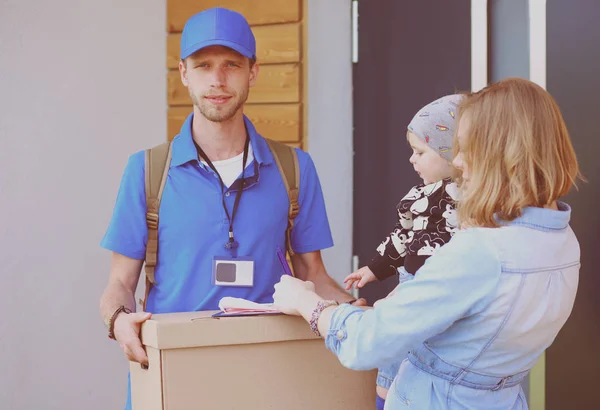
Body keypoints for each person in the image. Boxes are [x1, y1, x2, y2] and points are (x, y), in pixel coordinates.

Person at [98, 7, 359, 410]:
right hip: (173, 368)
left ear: (252, 72)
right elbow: (120, 282)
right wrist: (118, 320)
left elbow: (314, 275)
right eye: (204, 66)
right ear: (184, 72)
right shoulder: (147, 171)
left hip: (270, 372)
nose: (217, 80)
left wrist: (357, 315)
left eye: (231, 65)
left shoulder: (295, 169)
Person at [273, 77, 581, 409]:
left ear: (501, 153)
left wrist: (307, 302)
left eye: (466, 148)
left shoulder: (481, 252)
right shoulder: (562, 241)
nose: (458, 162)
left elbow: (366, 343)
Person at [343, 94, 462, 410]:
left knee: (421, 348)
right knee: (394, 354)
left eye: (420, 152)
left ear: (454, 153)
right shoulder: (417, 196)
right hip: (411, 281)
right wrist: (375, 268)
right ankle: (385, 400)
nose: (412, 160)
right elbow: (402, 235)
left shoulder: (471, 200)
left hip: (439, 286)